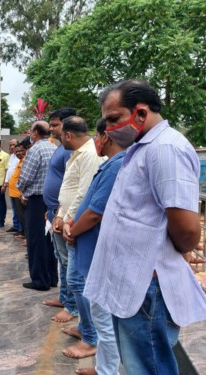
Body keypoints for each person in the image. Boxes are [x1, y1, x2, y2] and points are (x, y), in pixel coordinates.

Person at [84, 80, 206, 375]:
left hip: (146, 283)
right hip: (133, 282)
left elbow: (188, 230)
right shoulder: (141, 148)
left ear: (140, 113)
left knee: (148, 367)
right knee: (139, 364)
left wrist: (161, 257)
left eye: (114, 119)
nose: (109, 128)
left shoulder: (166, 148)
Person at [62, 118, 125, 374]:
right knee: (103, 318)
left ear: (105, 137)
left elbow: (94, 212)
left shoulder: (115, 165)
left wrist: (72, 231)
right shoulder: (110, 163)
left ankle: (106, 371)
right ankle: (103, 368)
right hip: (92, 249)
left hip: (97, 250)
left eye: (97, 137)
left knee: (103, 318)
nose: (95, 142)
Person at [53, 115, 103, 359]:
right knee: (74, 278)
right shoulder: (78, 154)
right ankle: (85, 328)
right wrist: (60, 214)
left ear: (68, 135)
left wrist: (69, 219)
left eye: (60, 134)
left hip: (80, 225)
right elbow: (70, 188)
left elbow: (85, 192)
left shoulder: (91, 154)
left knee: (78, 280)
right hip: (70, 221)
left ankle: (92, 337)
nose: (59, 138)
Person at [42, 108, 77, 323]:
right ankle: (65, 298)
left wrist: (63, 213)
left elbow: (72, 184)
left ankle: (72, 306)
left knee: (67, 260)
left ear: (67, 125)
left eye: (54, 125)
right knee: (61, 259)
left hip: (63, 213)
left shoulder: (72, 150)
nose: (51, 129)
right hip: (55, 211)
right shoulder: (60, 147)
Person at [17, 121, 57, 291]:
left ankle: (40, 280)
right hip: (51, 199)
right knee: (49, 240)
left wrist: (21, 190)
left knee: (35, 240)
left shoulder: (35, 150)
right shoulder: (53, 148)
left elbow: (25, 177)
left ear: (35, 133)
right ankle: (52, 278)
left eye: (31, 131)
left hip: (36, 200)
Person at [2, 138, 22, 234]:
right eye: (10, 145)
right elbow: (9, 171)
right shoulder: (12, 157)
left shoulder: (20, 157)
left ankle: (21, 229)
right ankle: (15, 225)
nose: (11, 147)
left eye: (13, 145)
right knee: (14, 208)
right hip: (11, 187)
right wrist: (5, 183)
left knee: (19, 210)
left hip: (18, 188)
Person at [7, 141, 27, 236]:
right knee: (19, 214)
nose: (19, 153)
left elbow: (24, 179)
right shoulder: (19, 161)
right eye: (17, 151)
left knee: (22, 215)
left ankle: (26, 235)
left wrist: (22, 194)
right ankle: (22, 232)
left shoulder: (25, 161)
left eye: (21, 151)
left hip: (19, 194)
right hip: (13, 193)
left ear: (25, 151)